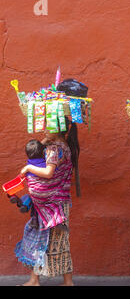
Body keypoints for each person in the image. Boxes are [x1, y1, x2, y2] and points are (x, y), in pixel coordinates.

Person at [17, 117, 80, 286]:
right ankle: (44, 280)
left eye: (48, 126)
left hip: (52, 205)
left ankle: (43, 281)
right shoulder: (64, 146)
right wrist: (46, 139)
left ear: (57, 129)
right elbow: (40, 147)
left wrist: (29, 168)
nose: (44, 128)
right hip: (58, 203)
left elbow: (48, 173)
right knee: (57, 241)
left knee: (45, 241)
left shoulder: (53, 149)